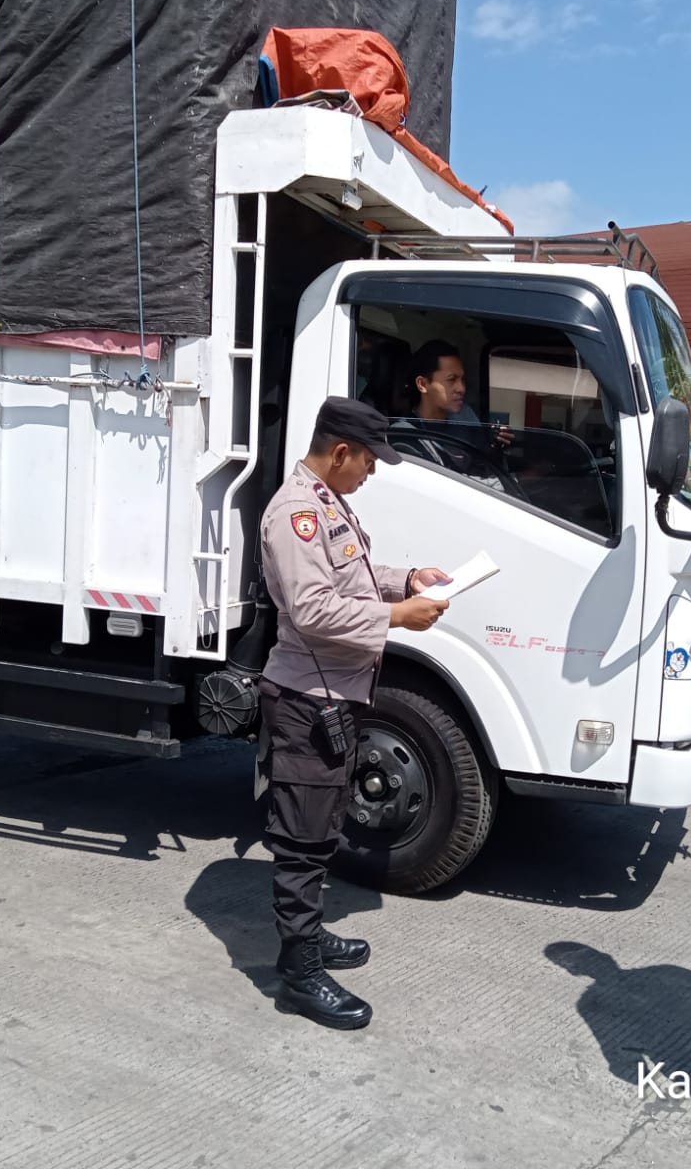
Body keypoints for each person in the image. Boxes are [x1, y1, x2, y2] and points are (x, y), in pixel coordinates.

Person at [257, 396, 453, 1030]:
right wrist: (397, 619)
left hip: (335, 698)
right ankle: (300, 971)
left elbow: (353, 578)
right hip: (305, 702)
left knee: (324, 830)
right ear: (340, 452)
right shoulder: (296, 516)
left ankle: (312, 939)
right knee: (301, 840)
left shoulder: (329, 503)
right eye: (368, 461)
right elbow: (313, 611)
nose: (371, 473)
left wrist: (406, 580)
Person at [392, 340, 512, 483]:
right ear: (423, 384)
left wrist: (495, 447)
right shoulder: (406, 435)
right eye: (451, 380)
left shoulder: (464, 417)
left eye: (462, 379)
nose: (461, 388)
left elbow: (483, 466)